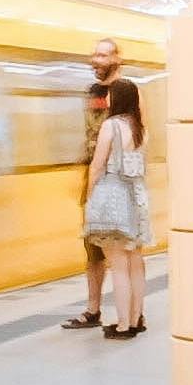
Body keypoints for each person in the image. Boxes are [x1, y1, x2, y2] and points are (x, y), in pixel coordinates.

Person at [83, 74, 151, 338]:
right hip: (137, 196)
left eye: (111, 94)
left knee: (118, 264)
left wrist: (90, 196)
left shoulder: (111, 126)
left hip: (114, 197)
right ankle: (136, 319)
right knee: (135, 261)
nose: (107, 98)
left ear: (118, 98)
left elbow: (97, 165)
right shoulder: (140, 129)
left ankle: (123, 325)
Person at [67, 38, 120, 326]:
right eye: (94, 55)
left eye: (102, 55)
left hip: (115, 180)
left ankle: (130, 314)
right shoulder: (92, 92)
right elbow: (90, 136)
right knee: (93, 248)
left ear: (116, 58)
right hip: (92, 178)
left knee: (119, 249)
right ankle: (93, 309)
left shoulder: (124, 92)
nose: (95, 61)